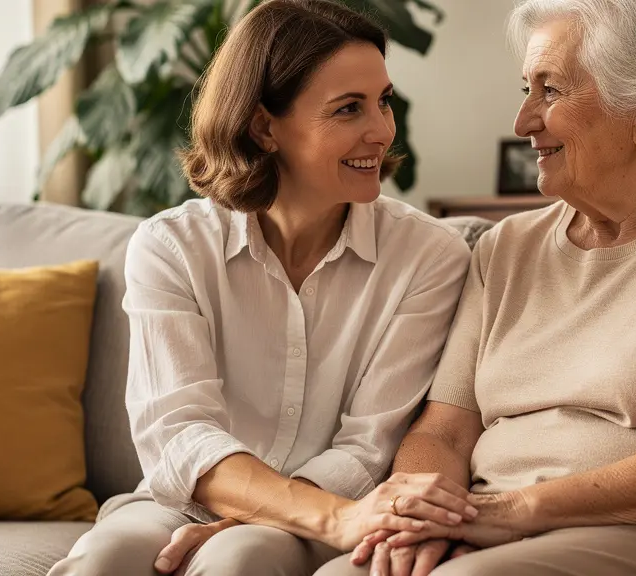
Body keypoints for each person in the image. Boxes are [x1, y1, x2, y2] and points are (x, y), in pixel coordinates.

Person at [315, 0, 636, 574]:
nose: (523, 121)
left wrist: (511, 511)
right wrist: (419, 517)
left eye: (550, 91)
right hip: (497, 525)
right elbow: (445, 432)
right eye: (525, 90)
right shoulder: (505, 248)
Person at [46, 1, 475, 575]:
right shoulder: (171, 247)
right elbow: (179, 432)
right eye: (349, 109)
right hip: (186, 503)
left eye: (384, 101)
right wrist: (280, 508)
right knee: (107, 557)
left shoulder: (430, 257)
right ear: (264, 127)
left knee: (243, 555)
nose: (382, 130)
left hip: (336, 509)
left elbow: (370, 445)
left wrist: (290, 515)